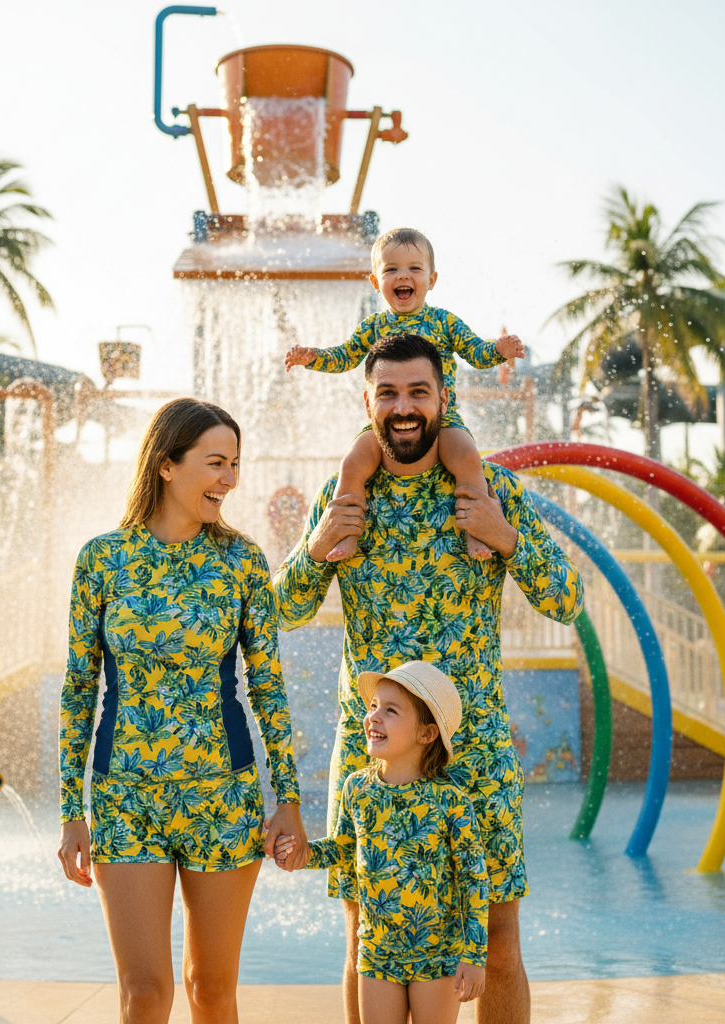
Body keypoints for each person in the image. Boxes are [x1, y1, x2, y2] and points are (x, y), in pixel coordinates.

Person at [273, 334, 584, 1024]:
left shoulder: (492, 489)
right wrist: (320, 544)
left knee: (497, 945)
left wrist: (505, 537)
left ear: (445, 399)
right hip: (372, 753)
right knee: (365, 942)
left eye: (419, 392)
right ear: (368, 403)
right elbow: (283, 612)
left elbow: (567, 597)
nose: (404, 407)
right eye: (388, 393)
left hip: (473, 756)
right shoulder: (344, 495)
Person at [57, 398, 308, 1024]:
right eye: (216, 463)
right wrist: (70, 811)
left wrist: (290, 800)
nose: (230, 479)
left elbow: (268, 687)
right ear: (167, 465)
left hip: (223, 798)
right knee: (144, 994)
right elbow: (78, 689)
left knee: (211, 990)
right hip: (125, 798)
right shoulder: (102, 560)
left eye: (235, 464)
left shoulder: (243, 561)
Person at [283, 225, 525, 562]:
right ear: (375, 281)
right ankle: (346, 534)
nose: (403, 276)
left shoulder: (444, 322)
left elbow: (475, 352)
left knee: (468, 458)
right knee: (353, 463)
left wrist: (499, 349)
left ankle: (476, 530)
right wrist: (313, 358)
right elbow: (345, 356)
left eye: (414, 268)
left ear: (432, 279)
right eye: (391, 269)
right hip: (388, 422)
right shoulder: (374, 326)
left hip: (443, 419)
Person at [275, 660, 489, 1024]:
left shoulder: (450, 801)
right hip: (376, 952)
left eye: (390, 711)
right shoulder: (357, 789)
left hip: (436, 955)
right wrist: (304, 853)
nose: (373, 717)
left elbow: (474, 880)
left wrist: (474, 956)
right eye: (373, 706)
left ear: (426, 734)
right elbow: (344, 848)